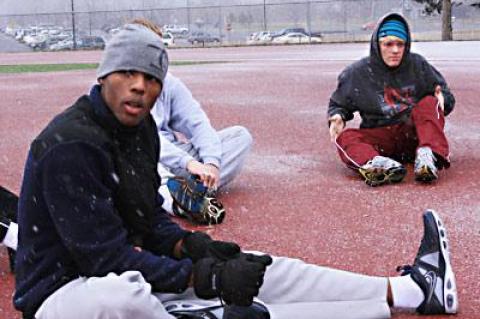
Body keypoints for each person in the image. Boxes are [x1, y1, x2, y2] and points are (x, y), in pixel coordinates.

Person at [13, 24, 458, 319]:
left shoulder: (141, 129)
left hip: (123, 272)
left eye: (151, 78)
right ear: (104, 75)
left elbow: (148, 220)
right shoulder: (69, 146)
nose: (140, 86)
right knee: (122, 295)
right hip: (63, 295)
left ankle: (410, 291)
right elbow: (104, 260)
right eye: (127, 73)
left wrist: (194, 246)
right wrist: (197, 277)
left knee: (258, 268)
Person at [328, 13, 454, 186]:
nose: (395, 50)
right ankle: (376, 164)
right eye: (388, 44)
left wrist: (443, 101)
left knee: (429, 102)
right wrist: (337, 116)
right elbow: (339, 103)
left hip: (413, 135)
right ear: (377, 45)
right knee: (346, 137)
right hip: (381, 138)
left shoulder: (418, 65)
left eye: (400, 44)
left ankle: (429, 156)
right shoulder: (356, 73)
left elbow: (443, 93)